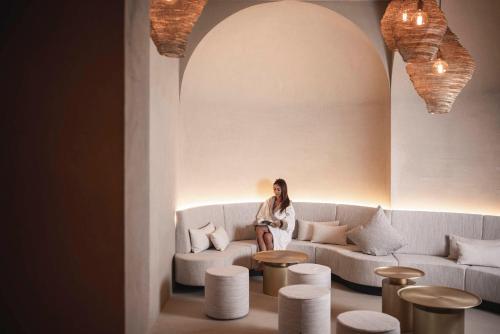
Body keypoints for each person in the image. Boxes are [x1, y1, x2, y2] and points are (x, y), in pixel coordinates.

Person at [255, 179, 296, 251]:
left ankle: (262, 256)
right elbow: (261, 215)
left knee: (259, 229)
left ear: (283, 190)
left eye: (278, 189)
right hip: (271, 226)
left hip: (281, 230)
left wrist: (281, 223)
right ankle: (269, 260)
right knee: (267, 236)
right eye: (274, 189)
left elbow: (291, 221)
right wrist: (265, 221)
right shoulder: (270, 201)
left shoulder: (288, 205)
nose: (276, 191)